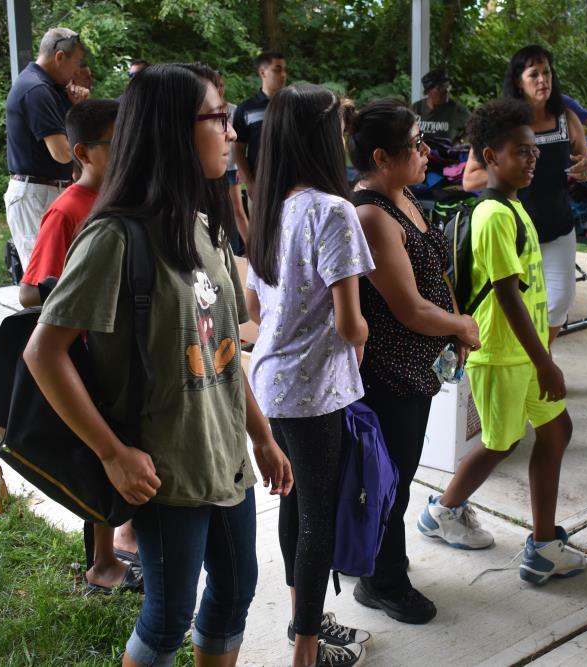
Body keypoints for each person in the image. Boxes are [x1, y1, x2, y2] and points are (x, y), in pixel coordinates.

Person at [24, 63, 293, 667]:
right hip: (165, 472)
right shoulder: (114, 238)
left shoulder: (205, 226)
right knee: (169, 616)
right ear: (173, 130)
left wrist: (263, 437)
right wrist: (113, 454)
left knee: (235, 593)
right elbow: (43, 352)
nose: (230, 132)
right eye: (217, 117)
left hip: (226, 460)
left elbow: (224, 347)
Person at [418, 98, 585, 586]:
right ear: (490, 157)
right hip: (501, 352)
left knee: (556, 431)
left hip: (527, 353)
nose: (532, 159)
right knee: (501, 441)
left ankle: (543, 545)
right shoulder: (492, 214)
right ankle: (443, 511)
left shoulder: (514, 205)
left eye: (534, 151)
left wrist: (542, 358)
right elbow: (508, 297)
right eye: (520, 152)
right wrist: (545, 361)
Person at [246, 83, 373, 667]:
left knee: (295, 511)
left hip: (269, 384)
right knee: (317, 519)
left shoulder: (268, 206)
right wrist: (362, 340)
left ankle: (306, 617)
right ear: (323, 136)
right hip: (316, 392)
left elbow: (255, 311)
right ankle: (305, 651)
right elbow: (350, 322)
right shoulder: (333, 211)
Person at [345, 99, 481, 625]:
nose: (427, 152)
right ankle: (381, 582)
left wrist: (453, 324)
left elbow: (433, 281)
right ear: (382, 156)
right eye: (417, 145)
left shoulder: (404, 198)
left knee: (398, 477)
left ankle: (385, 567)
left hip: (416, 370)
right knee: (388, 481)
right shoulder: (371, 215)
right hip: (387, 373)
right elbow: (407, 307)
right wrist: (459, 325)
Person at [16, 99, 144, 595]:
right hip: (86, 355)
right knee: (99, 461)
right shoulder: (67, 209)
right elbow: (30, 290)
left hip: (121, 353)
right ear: (83, 152)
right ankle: (102, 563)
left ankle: (125, 539)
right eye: (119, 144)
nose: (131, 151)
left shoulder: (120, 200)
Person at [464, 45, 587, 341]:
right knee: (509, 303)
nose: (542, 80)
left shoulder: (567, 118)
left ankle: (540, 358)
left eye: (546, 72)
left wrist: (585, 167)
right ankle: (529, 363)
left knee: (559, 301)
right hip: (512, 231)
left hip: (558, 227)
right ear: (518, 81)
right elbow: (470, 179)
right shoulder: (500, 124)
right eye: (533, 74)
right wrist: (511, 170)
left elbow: (585, 164)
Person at [4, 27, 88, 270]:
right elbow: (62, 153)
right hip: (35, 194)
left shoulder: (51, 88)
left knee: (62, 273)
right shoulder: (37, 90)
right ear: (59, 56)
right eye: (76, 63)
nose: (77, 71)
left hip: (48, 190)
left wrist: (76, 108)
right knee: (44, 278)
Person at [233, 51, 287, 195]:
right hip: (260, 187)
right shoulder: (246, 109)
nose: (283, 75)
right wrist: (250, 184)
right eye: (277, 69)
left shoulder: (292, 106)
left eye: (284, 70)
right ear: (262, 72)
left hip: (292, 187)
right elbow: (238, 149)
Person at [219, 76, 249, 253]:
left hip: (231, 167)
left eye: (222, 85)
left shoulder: (234, 110)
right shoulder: (203, 108)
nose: (220, 89)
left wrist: (239, 165)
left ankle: (244, 251)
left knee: (236, 210)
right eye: (217, 85)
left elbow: (239, 142)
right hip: (214, 168)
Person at [412, 68, 470, 143]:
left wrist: (460, 141)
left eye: (447, 86)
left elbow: (475, 128)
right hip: (421, 152)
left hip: (446, 153)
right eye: (439, 88)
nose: (445, 91)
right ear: (429, 91)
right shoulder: (416, 108)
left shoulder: (457, 110)